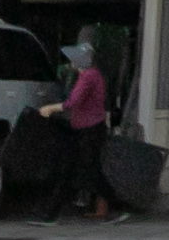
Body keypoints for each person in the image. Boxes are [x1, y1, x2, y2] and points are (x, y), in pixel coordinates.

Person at [33, 43, 122, 223]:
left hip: (88, 131)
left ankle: (114, 206)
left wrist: (50, 108)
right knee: (77, 169)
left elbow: (72, 102)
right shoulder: (94, 75)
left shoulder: (87, 77)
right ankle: (50, 213)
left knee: (86, 171)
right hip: (89, 130)